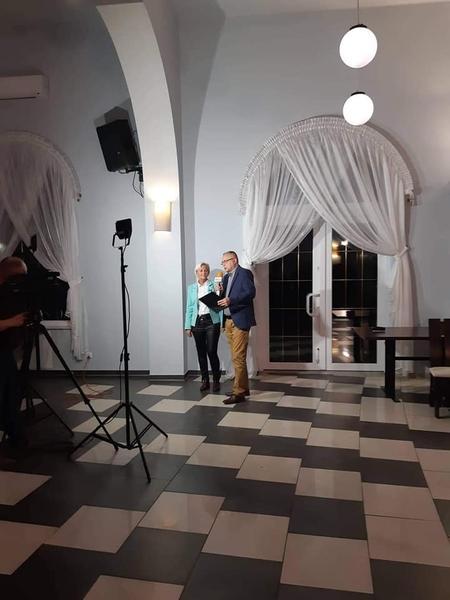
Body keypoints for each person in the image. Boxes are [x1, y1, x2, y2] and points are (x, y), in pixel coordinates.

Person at [217, 251, 256, 404]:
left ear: (234, 260)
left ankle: (238, 392)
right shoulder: (226, 277)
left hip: (240, 320)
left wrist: (231, 300)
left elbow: (250, 293)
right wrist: (220, 292)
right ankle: (243, 389)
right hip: (228, 321)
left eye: (225, 261)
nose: (223, 264)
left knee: (238, 357)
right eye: (222, 262)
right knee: (236, 357)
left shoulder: (244, 273)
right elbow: (224, 298)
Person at [0, 257, 28, 445]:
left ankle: (13, 432)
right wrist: (12, 322)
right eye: (20, 276)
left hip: (4, 349)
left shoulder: (7, 293)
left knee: (12, 391)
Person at [185, 262, 222, 392]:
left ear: (208, 272)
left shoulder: (214, 285)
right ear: (196, 273)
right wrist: (188, 326)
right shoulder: (191, 288)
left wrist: (219, 290)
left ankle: (216, 380)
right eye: (201, 270)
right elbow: (189, 307)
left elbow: (219, 302)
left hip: (212, 321)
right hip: (197, 322)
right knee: (201, 352)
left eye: (205, 270)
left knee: (211, 351)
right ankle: (205, 380)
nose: (203, 272)